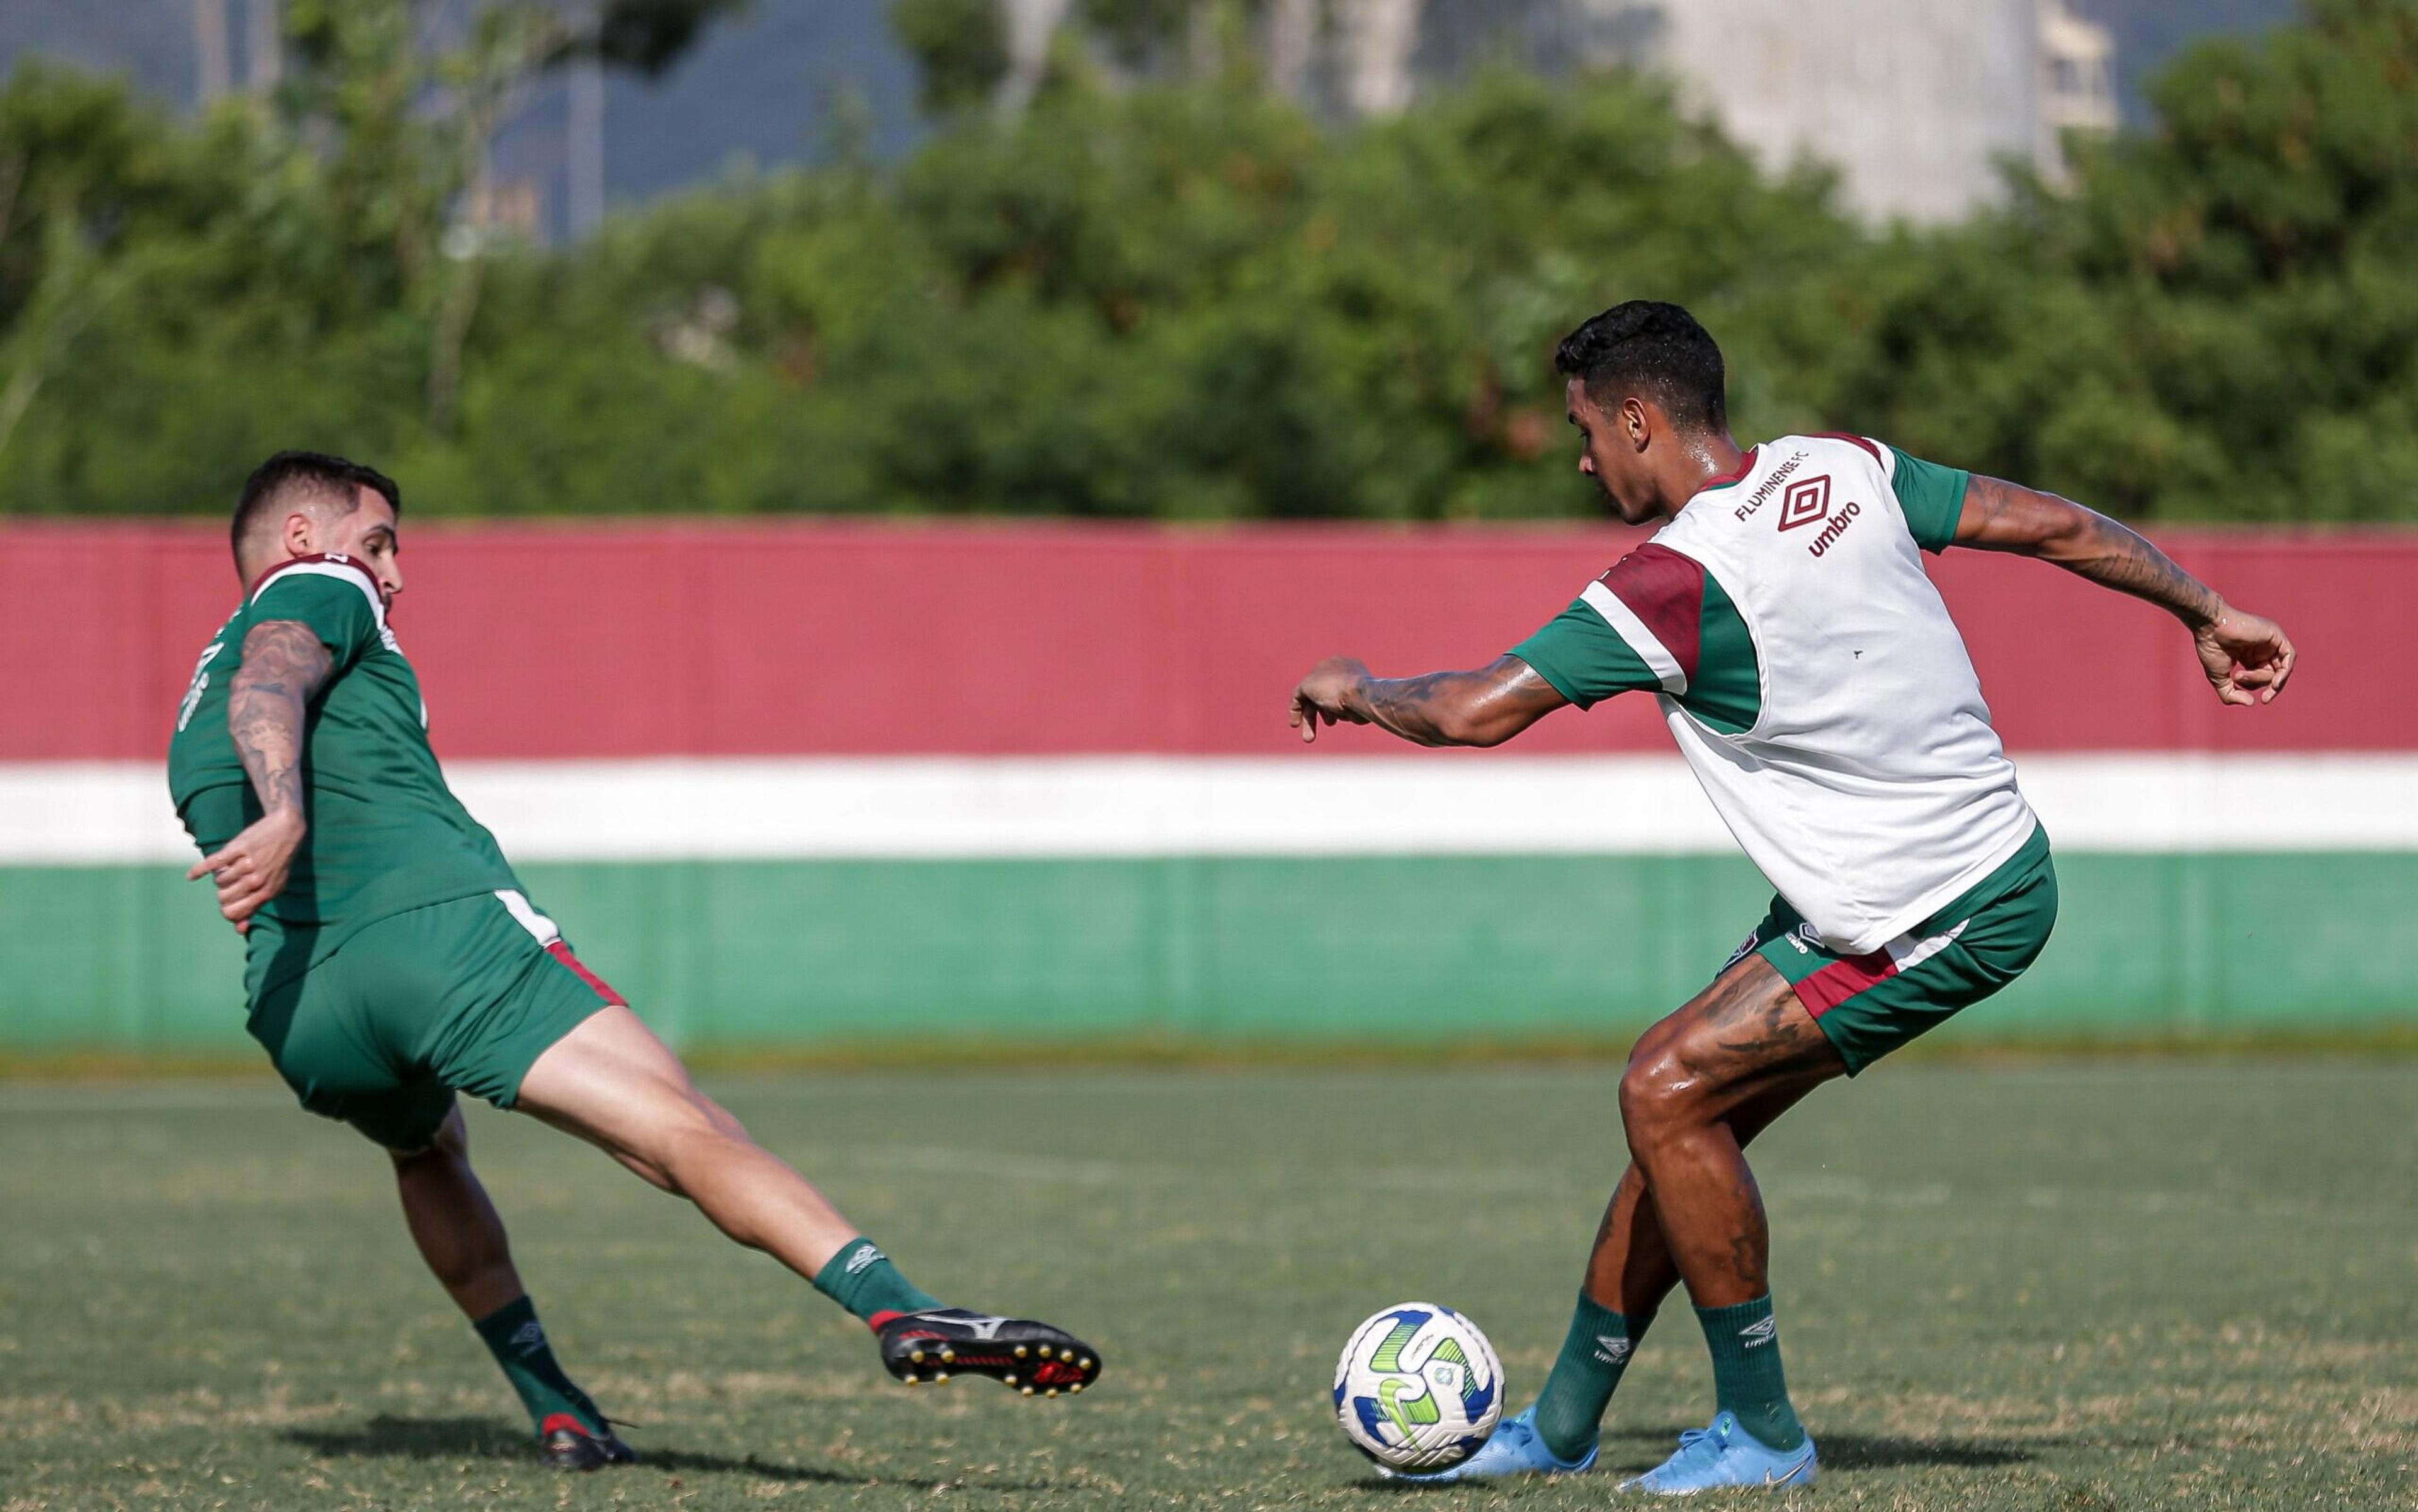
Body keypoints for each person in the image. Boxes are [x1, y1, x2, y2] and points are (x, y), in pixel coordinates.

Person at [1286, 301, 2293, 1494]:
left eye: (1584, 430)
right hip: (1898, 887)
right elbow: (2048, 521)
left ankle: (1764, 1434)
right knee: (1681, 1115)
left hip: (1939, 903)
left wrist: (1358, 685)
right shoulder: (1843, 469)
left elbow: (1471, 711)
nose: (1581, 458)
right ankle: (1558, 1427)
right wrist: (2205, 608)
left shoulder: (1670, 580)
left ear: (1639, 419)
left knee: (1664, 1089)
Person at [170, 452, 1100, 1472]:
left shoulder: (186, 700)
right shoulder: (318, 586)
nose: (393, 573)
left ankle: (557, 1405)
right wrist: (294, 808)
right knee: (681, 1127)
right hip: (437, 940)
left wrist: (286, 816)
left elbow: (248, 715)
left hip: (303, 1010)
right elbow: (278, 668)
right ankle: (906, 1308)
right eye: (381, 541)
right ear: (305, 537)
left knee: (427, 1149)